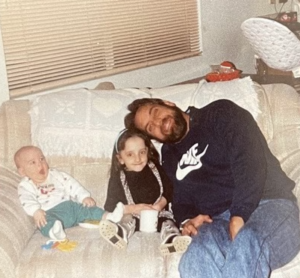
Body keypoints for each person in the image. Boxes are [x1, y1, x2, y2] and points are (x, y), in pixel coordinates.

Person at [124, 98, 300, 278]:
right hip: (217, 223)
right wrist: (187, 220)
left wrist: (239, 214)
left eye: (154, 112)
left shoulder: (219, 113)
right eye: (150, 128)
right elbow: (179, 200)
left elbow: (249, 161)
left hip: (271, 206)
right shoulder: (169, 156)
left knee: (246, 240)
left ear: (167, 103)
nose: (156, 123)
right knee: (195, 255)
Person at [100, 128, 191, 255]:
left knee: (168, 223)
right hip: (132, 216)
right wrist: (134, 209)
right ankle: (119, 233)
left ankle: (171, 240)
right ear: (120, 158)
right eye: (130, 154)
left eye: (142, 152)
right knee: (127, 221)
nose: (138, 158)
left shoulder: (156, 168)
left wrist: (159, 206)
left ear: (148, 151)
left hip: (158, 215)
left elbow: (169, 190)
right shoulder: (117, 178)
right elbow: (110, 206)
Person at [14, 145, 123, 242]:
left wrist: (84, 197)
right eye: (32, 162)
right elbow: (26, 199)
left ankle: (109, 216)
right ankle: (55, 232)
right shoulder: (25, 185)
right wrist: (35, 211)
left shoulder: (56, 175)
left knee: (86, 209)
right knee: (44, 223)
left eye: (42, 159)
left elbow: (72, 185)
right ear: (22, 171)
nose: (40, 164)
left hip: (70, 207)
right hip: (49, 213)